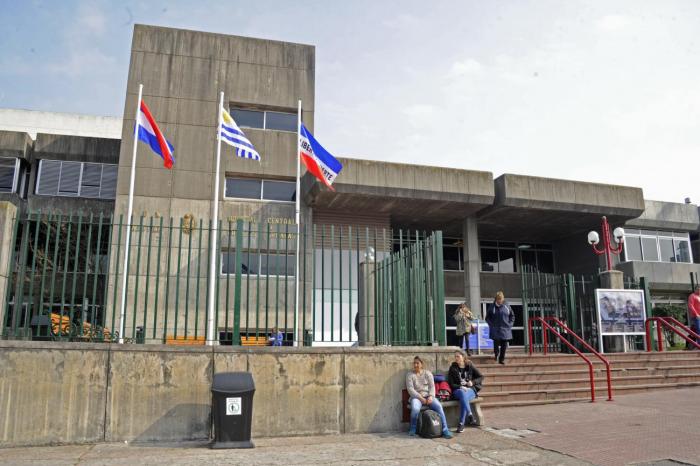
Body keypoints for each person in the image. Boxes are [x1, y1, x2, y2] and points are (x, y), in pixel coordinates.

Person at [405, 356, 453, 438]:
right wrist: (420, 398)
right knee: (415, 409)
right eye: (414, 363)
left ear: (422, 364)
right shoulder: (410, 375)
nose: (415, 365)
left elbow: (432, 387)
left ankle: (445, 429)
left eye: (417, 363)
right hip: (416, 397)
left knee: (439, 406)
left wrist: (431, 396)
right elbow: (410, 389)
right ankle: (413, 427)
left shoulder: (428, 373)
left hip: (428, 396)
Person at [447, 349, 483, 433]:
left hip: (470, 390)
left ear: (463, 357)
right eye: (455, 357)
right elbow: (451, 384)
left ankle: (461, 424)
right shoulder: (453, 368)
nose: (456, 358)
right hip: (457, 391)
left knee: (464, 397)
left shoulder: (470, 365)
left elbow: (481, 377)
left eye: (458, 356)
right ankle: (469, 414)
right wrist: (460, 386)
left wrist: (472, 382)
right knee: (463, 394)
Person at [485, 291, 514, 365]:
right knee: (496, 343)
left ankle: (501, 359)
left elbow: (512, 316)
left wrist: (510, 324)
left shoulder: (506, 306)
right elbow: (487, 317)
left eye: (501, 300)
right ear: (496, 299)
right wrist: (491, 325)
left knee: (504, 345)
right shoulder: (492, 306)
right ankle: (496, 354)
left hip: (505, 329)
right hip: (495, 328)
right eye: (499, 300)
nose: (500, 301)